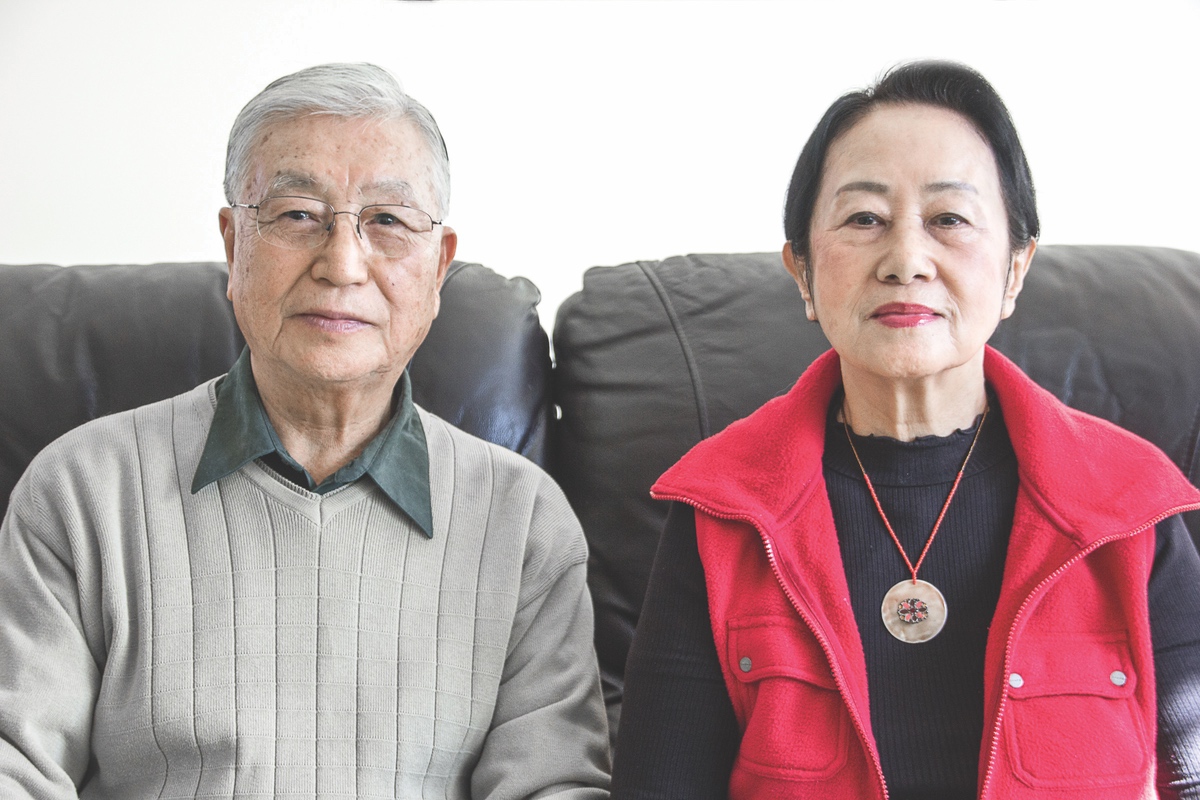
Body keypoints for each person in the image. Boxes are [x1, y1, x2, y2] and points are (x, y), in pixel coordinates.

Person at [0, 63, 610, 799]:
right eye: (297, 214)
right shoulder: (82, 491)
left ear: (440, 266)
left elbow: (555, 784)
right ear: (234, 245)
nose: (343, 263)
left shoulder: (523, 524)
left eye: (387, 221)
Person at [611, 61, 1200, 799]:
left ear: (1017, 268)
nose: (906, 260)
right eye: (864, 219)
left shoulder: (1129, 508)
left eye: (949, 220)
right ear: (800, 270)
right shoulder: (723, 512)